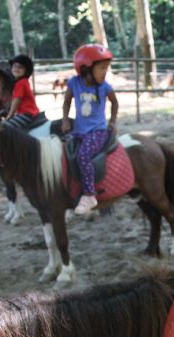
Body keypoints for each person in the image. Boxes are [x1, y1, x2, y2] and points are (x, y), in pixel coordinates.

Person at [61, 44, 119, 214]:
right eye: (102, 68)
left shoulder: (105, 87)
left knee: (83, 154)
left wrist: (113, 122)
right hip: (79, 131)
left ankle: (89, 195)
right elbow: (67, 101)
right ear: (86, 68)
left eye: (106, 68)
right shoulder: (74, 83)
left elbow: (114, 103)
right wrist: (65, 119)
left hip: (98, 131)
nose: (105, 72)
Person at [2, 54, 40, 129]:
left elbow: (17, 100)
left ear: (26, 71)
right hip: (27, 113)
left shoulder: (21, 83)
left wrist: (9, 116)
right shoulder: (23, 82)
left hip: (27, 114)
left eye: (20, 67)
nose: (16, 69)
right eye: (15, 66)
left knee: (4, 128)